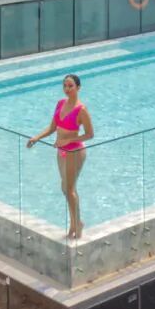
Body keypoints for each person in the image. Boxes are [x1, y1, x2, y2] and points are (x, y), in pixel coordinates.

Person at [27, 74, 94, 239]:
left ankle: (77, 224)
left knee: (69, 189)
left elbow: (90, 134)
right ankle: (75, 223)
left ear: (78, 87)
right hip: (61, 151)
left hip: (74, 152)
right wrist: (36, 137)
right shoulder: (60, 103)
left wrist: (69, 140)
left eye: (70, 86)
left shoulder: (81, 110)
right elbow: (52, 128)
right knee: (65, 188)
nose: (67, 89)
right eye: (65, 86)